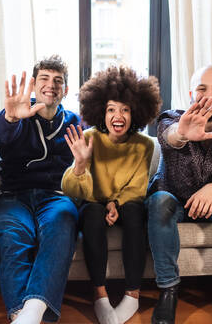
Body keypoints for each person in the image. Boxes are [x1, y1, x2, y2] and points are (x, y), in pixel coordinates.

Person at [146, 65, 212, 324]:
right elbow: (169, 137)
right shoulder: (171, 118)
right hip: (173, 200)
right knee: (159, 202)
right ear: (191, 93)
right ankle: (168, 291)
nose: (209, 95)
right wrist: (182, 134)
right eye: (202, 88)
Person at [62, 66, 162, 324]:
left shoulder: (145, 144)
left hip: (125, 205)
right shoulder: (88, 138)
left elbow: (138, 187)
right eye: (111, 109)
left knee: (134, 211)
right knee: (93, 212)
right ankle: (100, 295)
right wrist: (81, 166)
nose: (118, 116)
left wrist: (116, 203)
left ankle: (132, 293)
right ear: (100, 112)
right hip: (94, 204)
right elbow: (71, 190)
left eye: (125, 109)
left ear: (136, 112)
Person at [0, 55, 80, 324]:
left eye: (58, 81)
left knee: (62, 223)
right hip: (13, 196)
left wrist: (83, 164)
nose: (51, 85)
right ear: (33, 84)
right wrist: (11, 117)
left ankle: (33, 310)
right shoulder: (17, 111)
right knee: (12, 235)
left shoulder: (74, 121)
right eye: (44, 79)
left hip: (55, 196)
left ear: (64, 89)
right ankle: (20, 313)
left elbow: (82, 167)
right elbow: (2, 131)